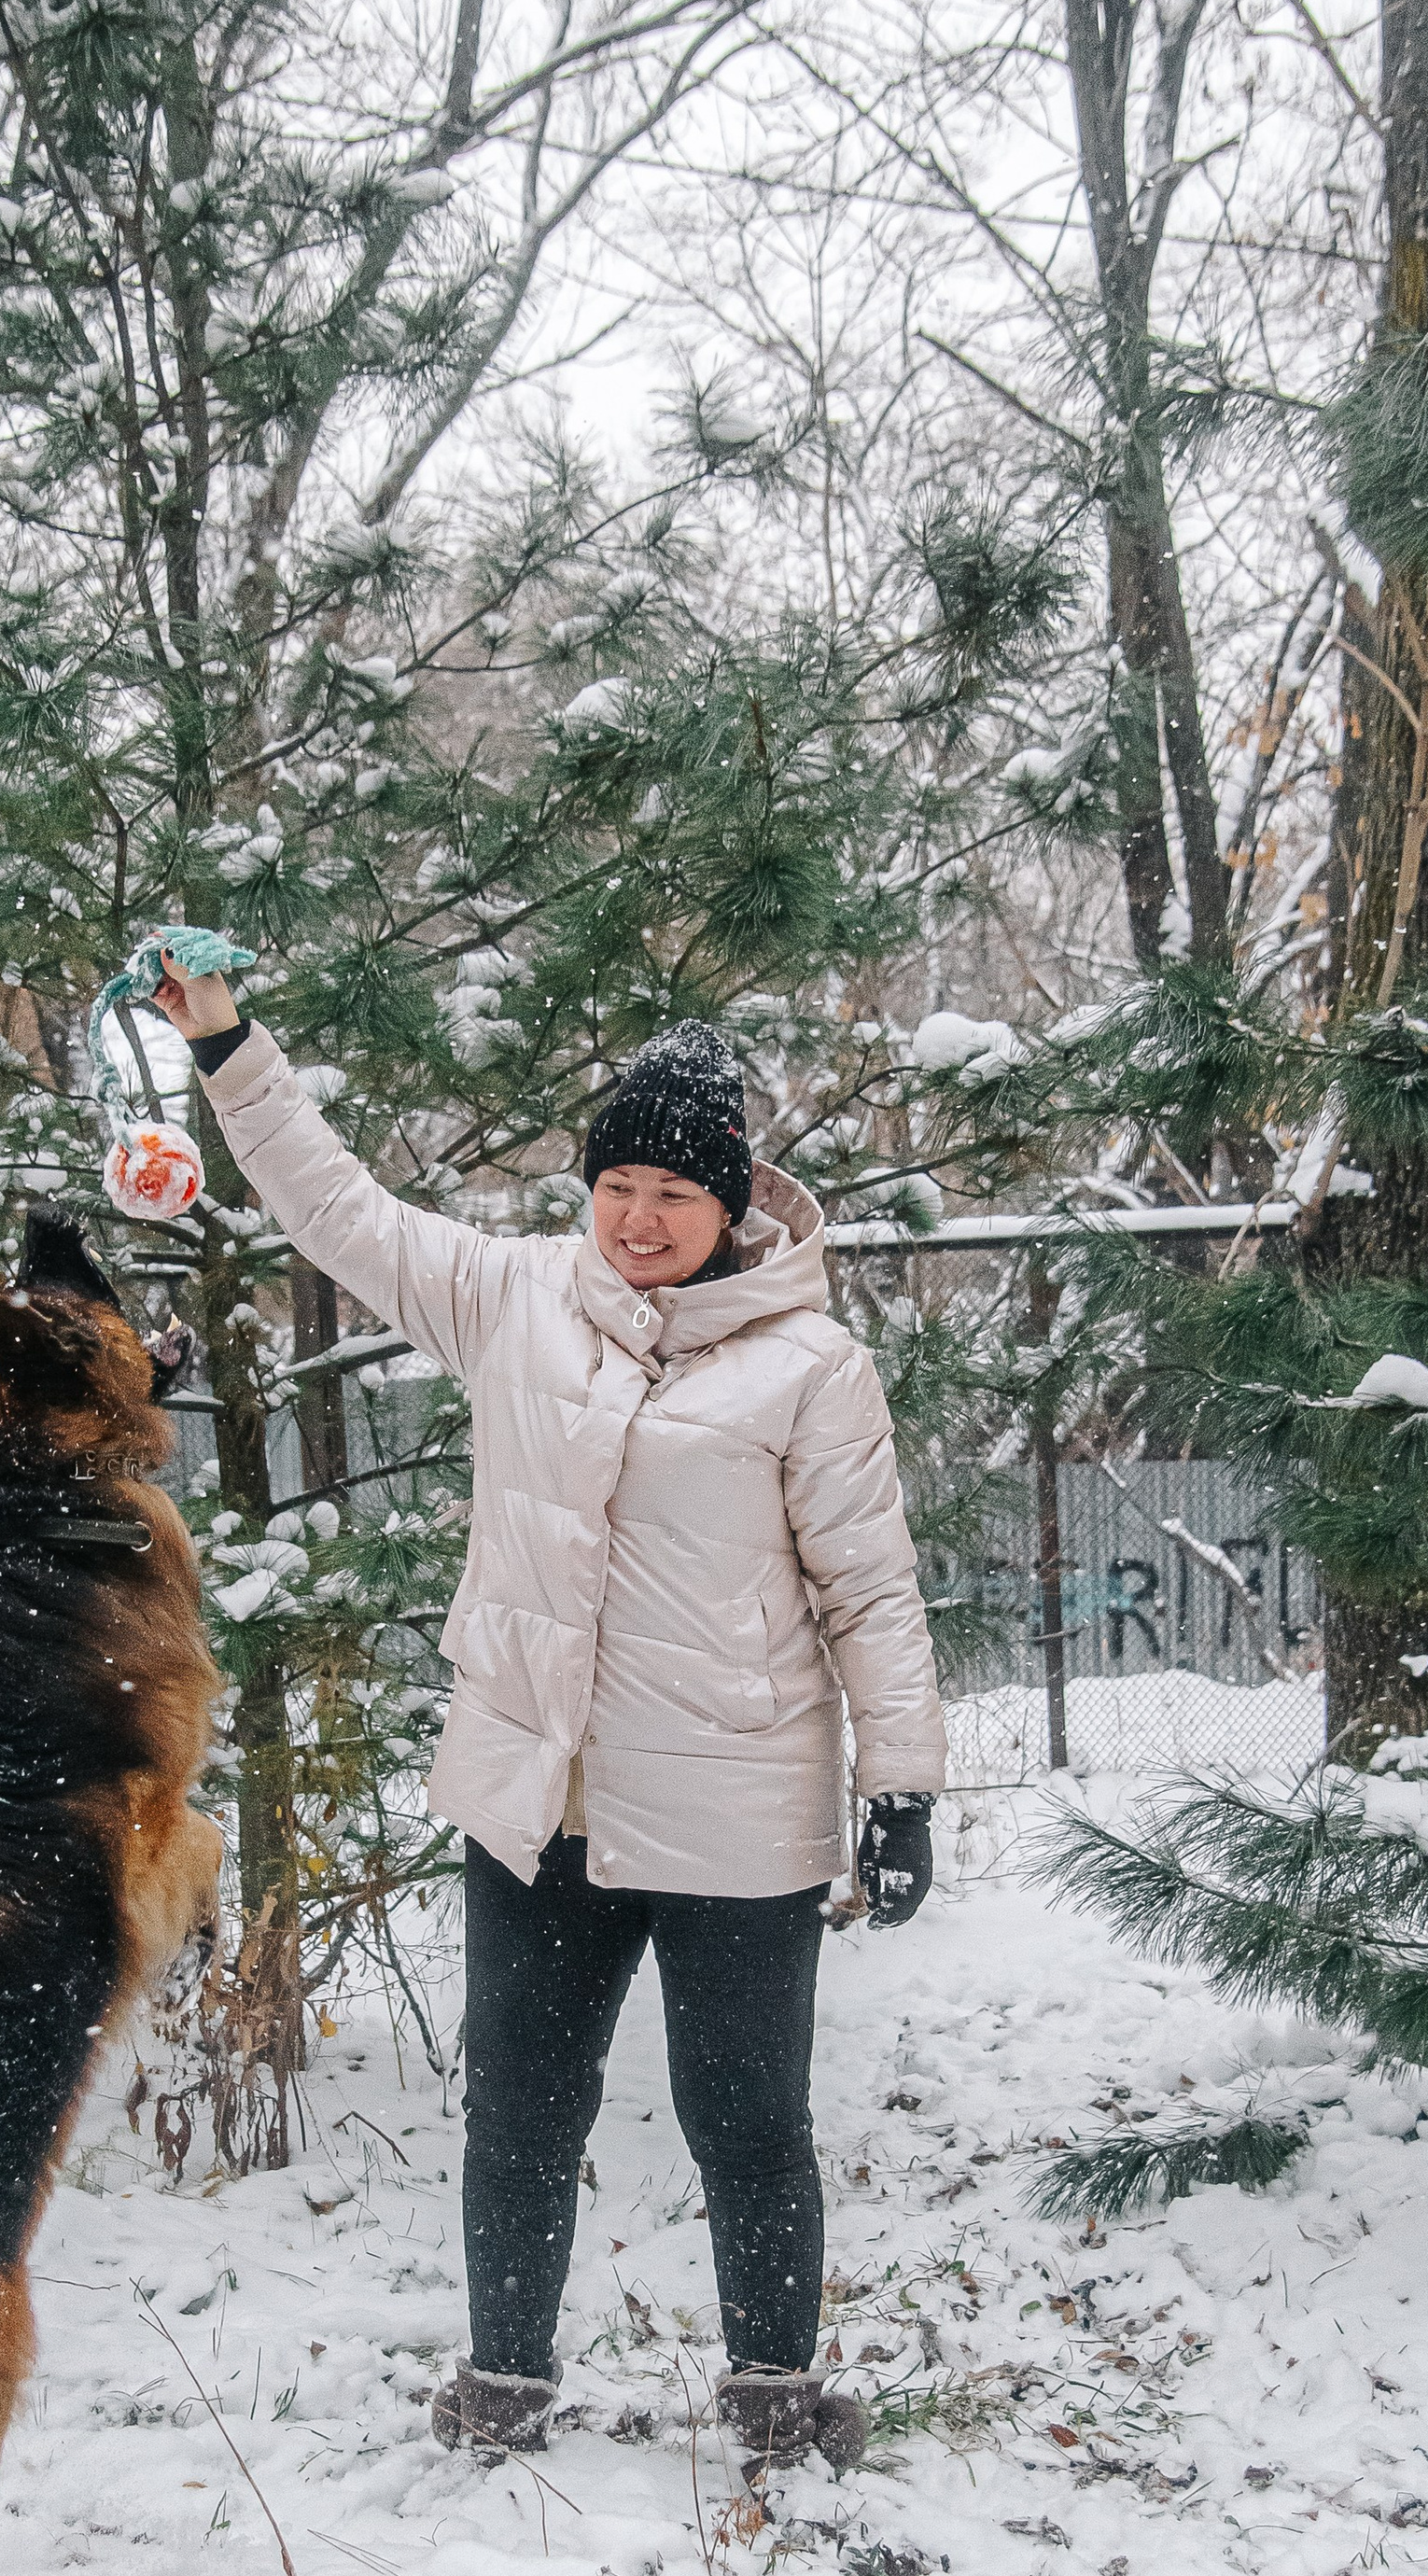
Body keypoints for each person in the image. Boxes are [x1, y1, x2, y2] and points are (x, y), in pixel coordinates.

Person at [147, 948, 946, 2473]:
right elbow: (341, 1213)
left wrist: (898, 1787)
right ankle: (505, 2384)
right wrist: (229, 1047)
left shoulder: (811, 1367)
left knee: (746, 2119)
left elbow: (871, 1592)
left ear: (740, 1208)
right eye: (618, 1183)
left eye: (676, 1194)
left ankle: (775, 2390)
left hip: (736, 1811)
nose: (639, 1220)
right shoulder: (519, 1299)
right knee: (519, 2102)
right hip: (542, 1800)